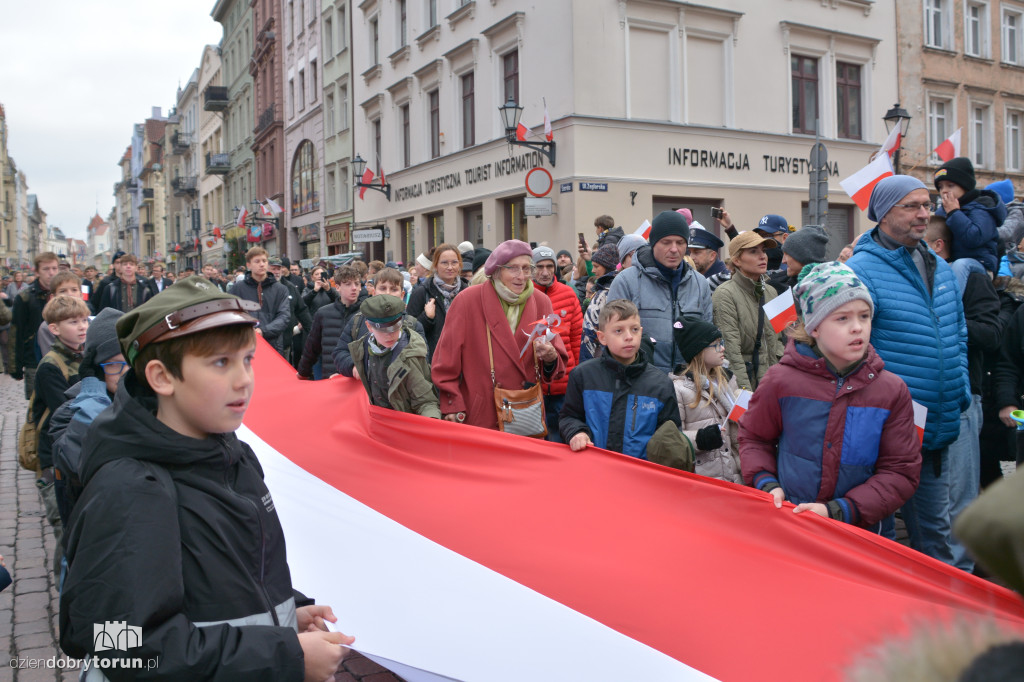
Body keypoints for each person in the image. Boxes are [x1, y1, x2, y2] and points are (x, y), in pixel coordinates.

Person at [59, 277, 355, 679]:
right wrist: (284, 655)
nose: (244, 379)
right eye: (221, 363)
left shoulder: (234, 456)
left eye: (247, 359)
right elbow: (119, 646)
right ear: (162, 377)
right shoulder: (130, 490)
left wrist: (285, 612)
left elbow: (227, 575)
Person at [739, 262, 921, 529]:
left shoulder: (891, 390)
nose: (857, 327)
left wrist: (842, 510)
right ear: (814, 327)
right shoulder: (780, 381)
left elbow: (901, 471)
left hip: (861, 533)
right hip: (792, 526)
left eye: (864, 316)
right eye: (842, 318)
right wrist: (766, 482)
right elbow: (754, 438)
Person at [846, 175, 971, 563]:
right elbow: (853, 350)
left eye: (927, 205)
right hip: (887, 433)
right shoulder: (862, 270)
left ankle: (941, 603)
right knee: (882, 543)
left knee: (937, 538)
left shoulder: (941, 268)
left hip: (938, 428)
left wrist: (960, 389)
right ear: (884, 214)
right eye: (912, 206)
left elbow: (959, 333)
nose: (924, 214)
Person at [925, 217, 1002, 572]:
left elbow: (991, 334)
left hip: (962, 400)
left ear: (937, 247)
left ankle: (962, 582)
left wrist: (947, 322)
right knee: (929, 502)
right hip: (919, 402)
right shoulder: (912, 280)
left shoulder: (969, 277)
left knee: (958, 500)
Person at [431, 240, 567, 428]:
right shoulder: (467, 301)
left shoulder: (541, 302)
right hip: (483, 415)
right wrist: (453, 405)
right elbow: (445, 362)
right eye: (513, 269)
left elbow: (557, 365)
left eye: (526, 269)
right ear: (496, 271)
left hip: (526, 414)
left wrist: (551, 358)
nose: (521, 276)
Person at [558, 299, 680, 457]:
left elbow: (671, 435)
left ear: (641, 331)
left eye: (634, 329)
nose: (629, 337)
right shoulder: (583, 375)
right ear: (602, 337)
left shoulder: (661, 384)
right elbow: (569, 417)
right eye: (618, 331)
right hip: (594, 464)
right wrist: (577, 432)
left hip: (640, 469)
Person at [48, 308, 128, 527]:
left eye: (131, 362)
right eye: (114, 364)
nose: (125, 373)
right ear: (97, 369)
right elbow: (74, 462)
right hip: (96, 525)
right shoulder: (70, 413)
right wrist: (93, 401)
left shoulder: (154, 404)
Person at [607, 211, 713, 373]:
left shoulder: (700, 284)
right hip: (641, 380)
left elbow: (708, 338)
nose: (674, 249)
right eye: (666, 242)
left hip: (689, 382)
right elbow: (614, 336)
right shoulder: (626, 281)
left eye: (680, 242)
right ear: (653, 243)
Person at [33, 295, 88, 580]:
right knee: (65, 529)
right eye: (73, 322)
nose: (82, 326)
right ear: (54, 329)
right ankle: (64, 587)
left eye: (84, 320)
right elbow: (66, 412)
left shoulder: (85, 356)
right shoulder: (50, 366)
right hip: (54, 458)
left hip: (78, 451)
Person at [669, 317, 741, 484]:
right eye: (716, 344)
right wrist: (702, 438)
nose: (722, 348)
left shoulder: (727, 383)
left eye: (721, 342)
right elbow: (674, 438)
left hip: (734, 478)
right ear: (699, 350)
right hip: (703, 481)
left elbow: (737, 439)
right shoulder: (679, 389)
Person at [712, 231, 785, 391]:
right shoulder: (724, 294)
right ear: (737, 260)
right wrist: (745, 395)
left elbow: (782, 340)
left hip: (774, 386)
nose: (762, 256)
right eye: (753, 251)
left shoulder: (772, 291)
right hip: (748, 386)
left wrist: (781, 384)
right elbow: (731, 353)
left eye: (763, 251)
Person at [348, 295, 440, 418]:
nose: (389, 335)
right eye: (383, 330)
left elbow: (426, 402)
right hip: (378, 419)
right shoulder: (364, 347)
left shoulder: (410, 356)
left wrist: (432, 420)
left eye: (395, 327)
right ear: (369, 327)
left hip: (404, 422)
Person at [332, 268, 425, 380]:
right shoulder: (358, 320)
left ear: (402, 295)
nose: (388, 293)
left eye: (394, 289)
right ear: (374, 292)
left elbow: (423, 360)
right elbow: (340, 352)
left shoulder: (413, 325)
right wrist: (354, 366)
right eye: (383, 288)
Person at [531, 246, 583, 441]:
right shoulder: (524, 295)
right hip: (534, 387)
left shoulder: (569, 294)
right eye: (540, 267)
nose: (545, 272)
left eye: (549, 266)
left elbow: (577, 339)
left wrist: (576, 376)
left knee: (562, 441)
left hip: (564, 386)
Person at [933, 157, 1006, 289]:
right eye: (940, 186)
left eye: (950, 185)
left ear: (965, 186)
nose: (944, 190)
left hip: (979, 263)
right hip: (952, 263)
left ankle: (954, 300)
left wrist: (954, 213)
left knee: (961, 265)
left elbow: (974, 238)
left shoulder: (981, 208)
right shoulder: (943, 211)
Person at [297, 265, 367, 380]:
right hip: (330, 377)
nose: (354, 288)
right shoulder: (323, 313)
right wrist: (303, 372)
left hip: (358, 379)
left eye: (357, 284)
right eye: (348, 284)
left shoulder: (367, 314)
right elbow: (312, 347)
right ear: (338, 287)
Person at [406, 244, 469, 362]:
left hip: (462, 360)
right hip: (433, 361)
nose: (450, 267)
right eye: (444, 263)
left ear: (460, 265)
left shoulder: (467, 292)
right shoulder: (422, 292)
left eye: (454, 262)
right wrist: (427, 318)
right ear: (435, 265)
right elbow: (409, 331)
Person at [12, 252, 60, 398]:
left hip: (62, 356)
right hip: (34, 358)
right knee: (37, 401)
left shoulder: (64, 293)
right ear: (37, 272)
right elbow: (16, 331)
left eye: (54, 268)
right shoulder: (25, 297)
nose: (51, 273)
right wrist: (15, 365)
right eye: (46, 269)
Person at [232, 247, 292, 355]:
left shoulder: (280, 289)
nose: (262, 264)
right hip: (245, 346)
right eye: (257, 261)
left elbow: (284, 316)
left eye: (264, 261)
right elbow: (230, 314)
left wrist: (263, 331)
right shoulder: (237, 289)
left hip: (272, 346)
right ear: (248, 265)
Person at [580, 244, 619, 361]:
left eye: (596, 266)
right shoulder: (618, 288)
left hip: (598, 358)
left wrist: (585, 365)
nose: (593, 270)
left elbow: (590, 331)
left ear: (607, 267)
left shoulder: (604, 294)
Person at [35, 271, 85, 358]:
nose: (70, 294)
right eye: (63, 291)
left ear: (81, 295)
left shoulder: (87, 322)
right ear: (53, 297)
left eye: (74, 290)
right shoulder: (47, 326)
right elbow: (52, 357)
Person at [779, 225, 829, 298]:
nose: (783, 261)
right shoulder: (788, 285)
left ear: (804, 257)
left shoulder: (823, 293)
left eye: (787, 254)